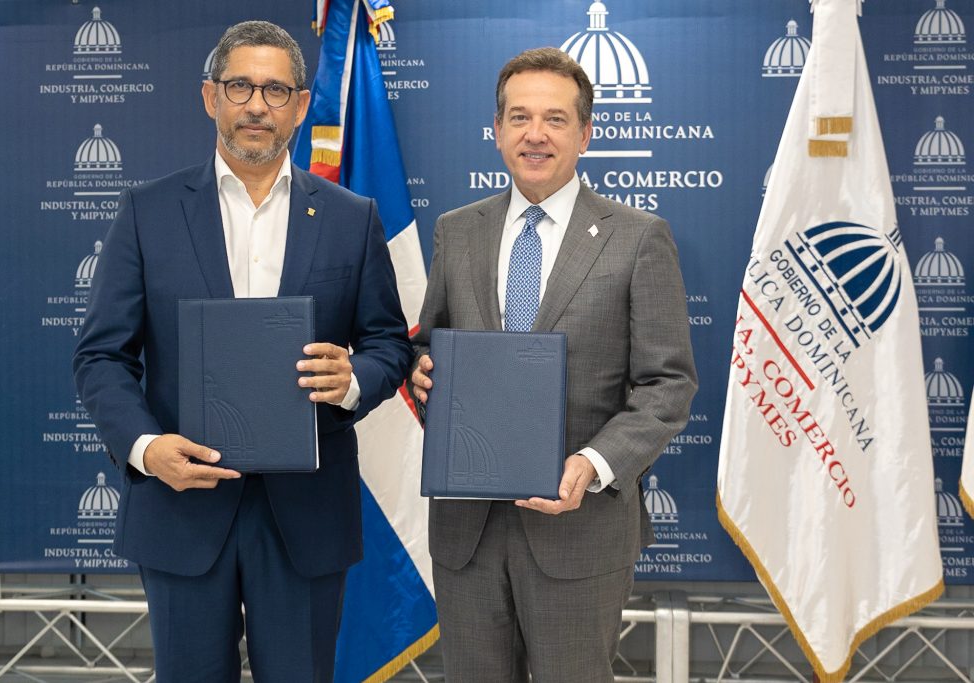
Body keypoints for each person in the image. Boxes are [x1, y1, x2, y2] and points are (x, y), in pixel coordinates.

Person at [73, 20, 412, 682]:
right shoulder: (147, 212)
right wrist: (145, 447)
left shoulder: (352, 218)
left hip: (306, 516)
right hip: (181, 506)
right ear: (210, 96)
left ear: (301, 106)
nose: (257, 105)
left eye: (276, 90)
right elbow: (101, 356)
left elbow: (387, 344)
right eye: (240, 87)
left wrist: (352, 379)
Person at [410, 47, 698, 682]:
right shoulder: (457, 231)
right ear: (497, 130)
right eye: (519, 117)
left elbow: (667, 384)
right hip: (467, 530)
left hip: (580, 529)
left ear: (585, 134)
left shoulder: (638, 237)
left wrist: (592, 464)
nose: (534, 134)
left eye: (555, 119)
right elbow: (429, 343)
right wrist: (423, 370)